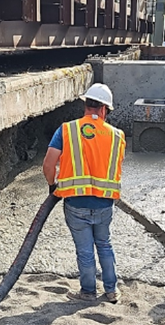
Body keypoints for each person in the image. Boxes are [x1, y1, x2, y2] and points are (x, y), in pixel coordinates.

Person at [42, 83, 126, 304]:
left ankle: (88, 292)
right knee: (105, 245)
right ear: (105, 109)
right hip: (105, 205)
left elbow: (48, 164)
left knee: (85, 251)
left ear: (86, 105)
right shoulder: (118, 136)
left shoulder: (66, 130)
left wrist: (52, 186)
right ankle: (112, 290)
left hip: (75, 205)